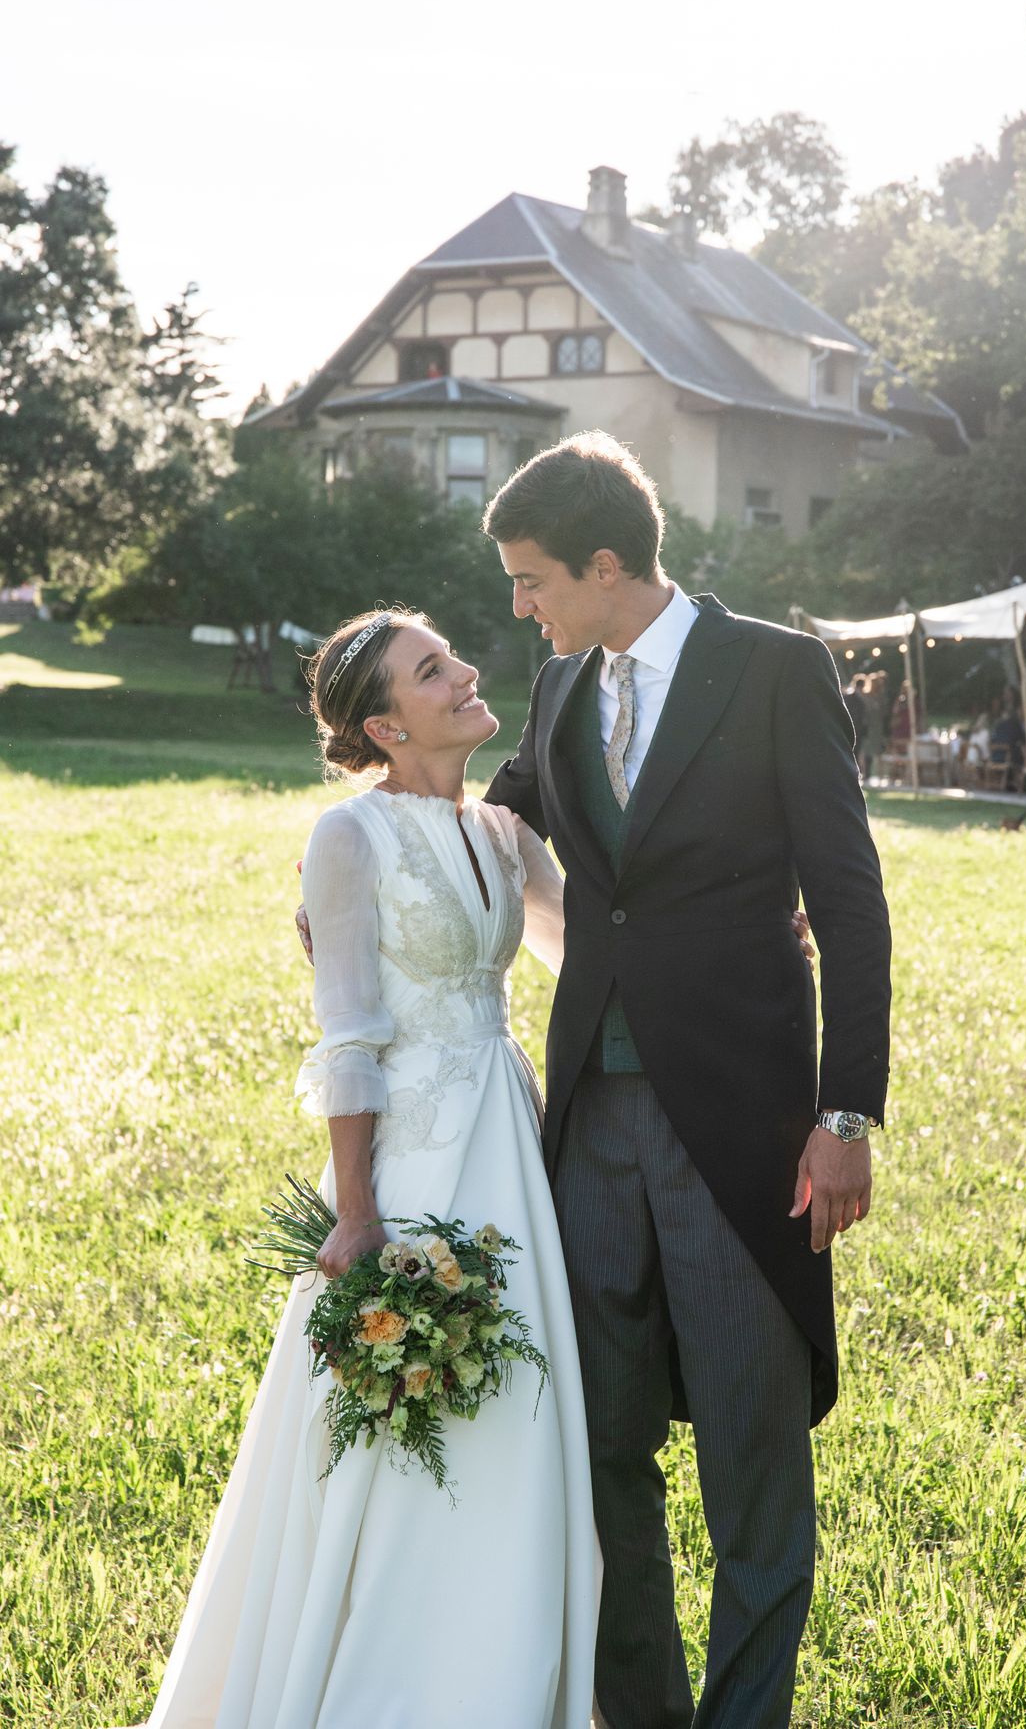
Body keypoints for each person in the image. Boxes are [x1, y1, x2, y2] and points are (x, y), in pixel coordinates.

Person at [481, 432, 892, 1729]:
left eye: (534, 579)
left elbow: (850, 904)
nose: (519, 605)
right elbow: (494, 810)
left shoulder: (774, 671)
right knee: (601, 1448)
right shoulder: (557, 694)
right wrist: (361, 875)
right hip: (586, 1126)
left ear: (608, 566)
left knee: (749, 1456)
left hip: (743, 1130)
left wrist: (844, 1115)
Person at [143, 608, 601, 1728]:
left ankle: (503, 1665)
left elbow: (592, 947)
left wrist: (739, 932)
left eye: (454, 658)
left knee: (521, 1409)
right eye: (433, 671)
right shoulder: (345, 839)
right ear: (387, 725)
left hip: (509, 1138)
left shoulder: (501, 831)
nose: (466, 674)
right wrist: (356, 1211)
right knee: (405, 1412)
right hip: (415, 1160)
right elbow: (346, 1035)